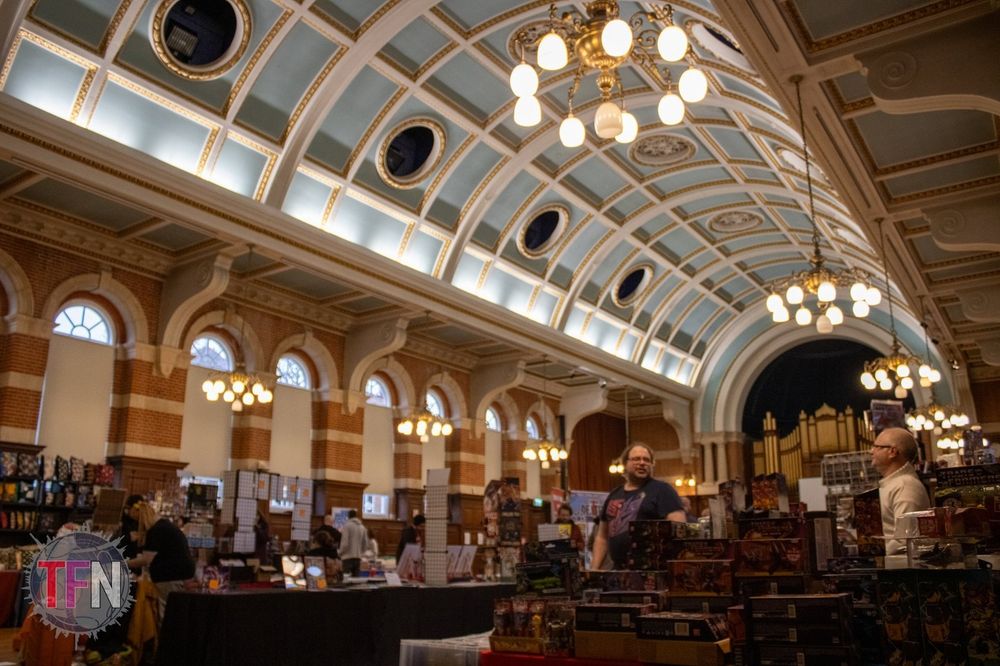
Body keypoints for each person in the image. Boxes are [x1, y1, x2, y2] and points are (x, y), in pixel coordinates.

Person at [592, 442, 685, 570]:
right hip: (619, 570)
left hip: (652, 570)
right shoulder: (614, 494)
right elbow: (602, 537)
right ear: (625, 463)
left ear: (652, 465)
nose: (642, 463)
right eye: (636, 459)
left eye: (646, 460)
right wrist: (594, 570)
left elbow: (679, 530)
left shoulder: (662, 490)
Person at [126, 501, 195, 622]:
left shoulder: (156, 530)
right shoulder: (165, 526)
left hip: (169, 575)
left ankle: (165, 639)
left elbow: (145, 560)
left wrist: (124, 563)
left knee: (166, 613)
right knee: (175, 610)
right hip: (182, 573)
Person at [871, 427, 931, 554]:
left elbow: (904, 541)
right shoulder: (895, 484)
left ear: (892, 452)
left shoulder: (905, 487)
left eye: (877, 446)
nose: (871, 451)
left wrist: (871, 554)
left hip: (901, 569)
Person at [339, 509, 369, 576]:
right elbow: (365, 544)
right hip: (358, 558)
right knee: (356, 581)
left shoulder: (347, 526)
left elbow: (345, 544)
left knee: (345, 580)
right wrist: (361, 553)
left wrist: (340, 553)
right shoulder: (362, 527)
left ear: (348, 516)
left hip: (347, 558)